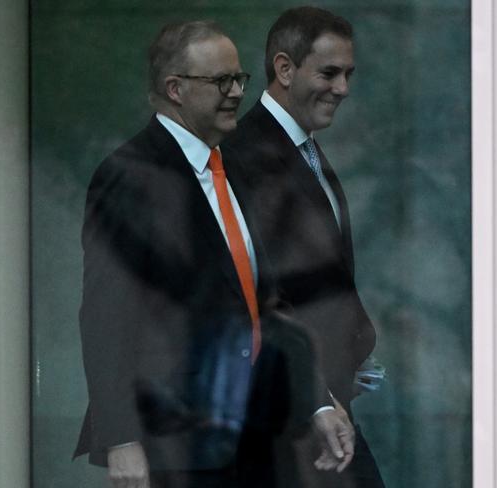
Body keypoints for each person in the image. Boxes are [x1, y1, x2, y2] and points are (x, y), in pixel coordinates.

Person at [74, 20, 354, 488]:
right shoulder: (132, 175)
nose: (235, 93)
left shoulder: (229, 168)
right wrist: (121, 438)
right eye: (220, 81)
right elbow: (106, 316)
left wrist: (318, 400)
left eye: (239, 79)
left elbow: (265, 302)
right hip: (176, 443)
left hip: (254, 434)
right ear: (175, 89)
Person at [224, 7, 385, 487]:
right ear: (285, 68)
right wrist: (315, 393)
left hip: (324, 405)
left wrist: (355, 355)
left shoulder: (304, 150)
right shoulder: (244, 155)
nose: (343, 88)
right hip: (286, 413)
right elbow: (258, 291)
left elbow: (319, 279)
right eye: (329, 73)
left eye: (348, 74)